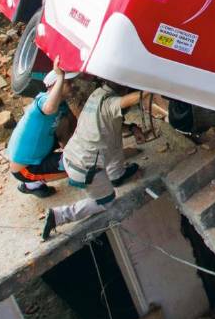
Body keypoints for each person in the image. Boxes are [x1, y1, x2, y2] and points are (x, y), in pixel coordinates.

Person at [41, 73, 144, 240]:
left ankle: (117, 174)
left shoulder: (97, 95)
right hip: (86, 166)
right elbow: (127, 101)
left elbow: (109, 122)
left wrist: (132, 129)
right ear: (123, 86)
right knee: (106, 202)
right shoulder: (111, 102)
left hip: (73, 155)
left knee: (111, 135)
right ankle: (59, 215)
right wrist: (150, 91)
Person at [7, 68, 74, 197]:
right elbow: (49, 108)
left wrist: (71, 150)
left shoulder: (62, 105)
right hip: (26, 169)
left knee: (79, 157)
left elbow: (66, 131)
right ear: (54, 86)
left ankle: (34, 183)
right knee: (81, 164)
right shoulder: (43, 100)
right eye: (68, 83)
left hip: (40, 149)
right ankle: (32, 183)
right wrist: (60, 77)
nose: (73, 86)